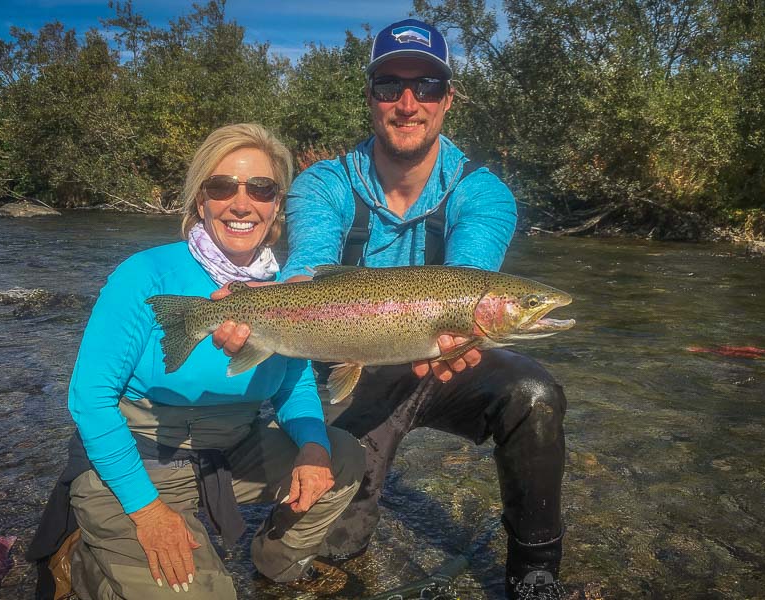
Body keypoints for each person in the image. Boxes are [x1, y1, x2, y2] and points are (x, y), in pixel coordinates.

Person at [213, 21, 585, 600]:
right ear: (370, 96)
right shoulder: (324, 185)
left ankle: (534, 570)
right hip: (351, 359)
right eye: (390, 86)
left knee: (534, 394)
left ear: (447, 98)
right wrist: (260, 313)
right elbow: (307, 268)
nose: (407, 103)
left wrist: (468, 336)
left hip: (443, 358)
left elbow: (471, 281)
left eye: (427, 86)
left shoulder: (484, 193)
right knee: (333, 550)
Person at [46, 123, 365, 600]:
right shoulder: (145, 275)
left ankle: (277, 565)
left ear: (276, 204)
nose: (242, 204)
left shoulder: (286, 289)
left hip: (231, 455)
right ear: (201, 201)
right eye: (221, 187)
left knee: (343, 455)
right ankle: (86, 564)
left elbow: (293, 384)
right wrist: (147, 511)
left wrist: (313, 448)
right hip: (137, 464)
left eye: (261, 188)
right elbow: (90, 400)